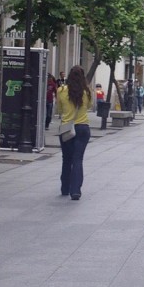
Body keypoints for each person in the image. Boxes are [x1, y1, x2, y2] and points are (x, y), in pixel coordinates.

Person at [56, 65, 92, 200]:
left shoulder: (61, 90)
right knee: (78, 159)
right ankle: (76, 190)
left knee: (66, 159)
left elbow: (59, 109)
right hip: (83, 127)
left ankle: (65, 188)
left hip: (66, 128)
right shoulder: (87, 91)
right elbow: (89, 106)